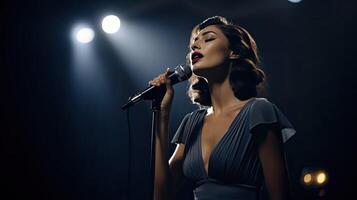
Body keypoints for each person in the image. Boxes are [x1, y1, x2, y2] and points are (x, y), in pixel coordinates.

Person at [149, 16, 296, 200]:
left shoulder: (258, 111)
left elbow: (280, 195)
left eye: (208, 38)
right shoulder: (191, 122)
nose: (195, 46)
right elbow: (161, 194)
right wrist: (163, 114)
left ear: (233, 52)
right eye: (194, 43)